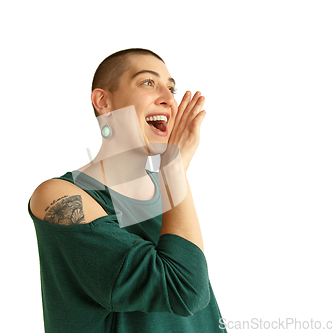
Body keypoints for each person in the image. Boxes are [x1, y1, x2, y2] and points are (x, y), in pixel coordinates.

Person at [28, 48, 226, 332]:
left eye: (171, 88)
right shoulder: (59, 196)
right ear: (103, 101)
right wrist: (174, 169)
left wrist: (172, 175)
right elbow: (184, 290)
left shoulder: (170, 189)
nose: (169, 99)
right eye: (148, 82)